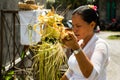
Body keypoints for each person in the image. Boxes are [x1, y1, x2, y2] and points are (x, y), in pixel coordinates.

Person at [61, 5, 110, 80]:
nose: (74, 30)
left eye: (78, 26)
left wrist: (76, 48)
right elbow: (71, 72)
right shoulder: (80, 43)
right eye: (73, 26)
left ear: (92, 25)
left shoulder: (100, 45)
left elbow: (91, 75)